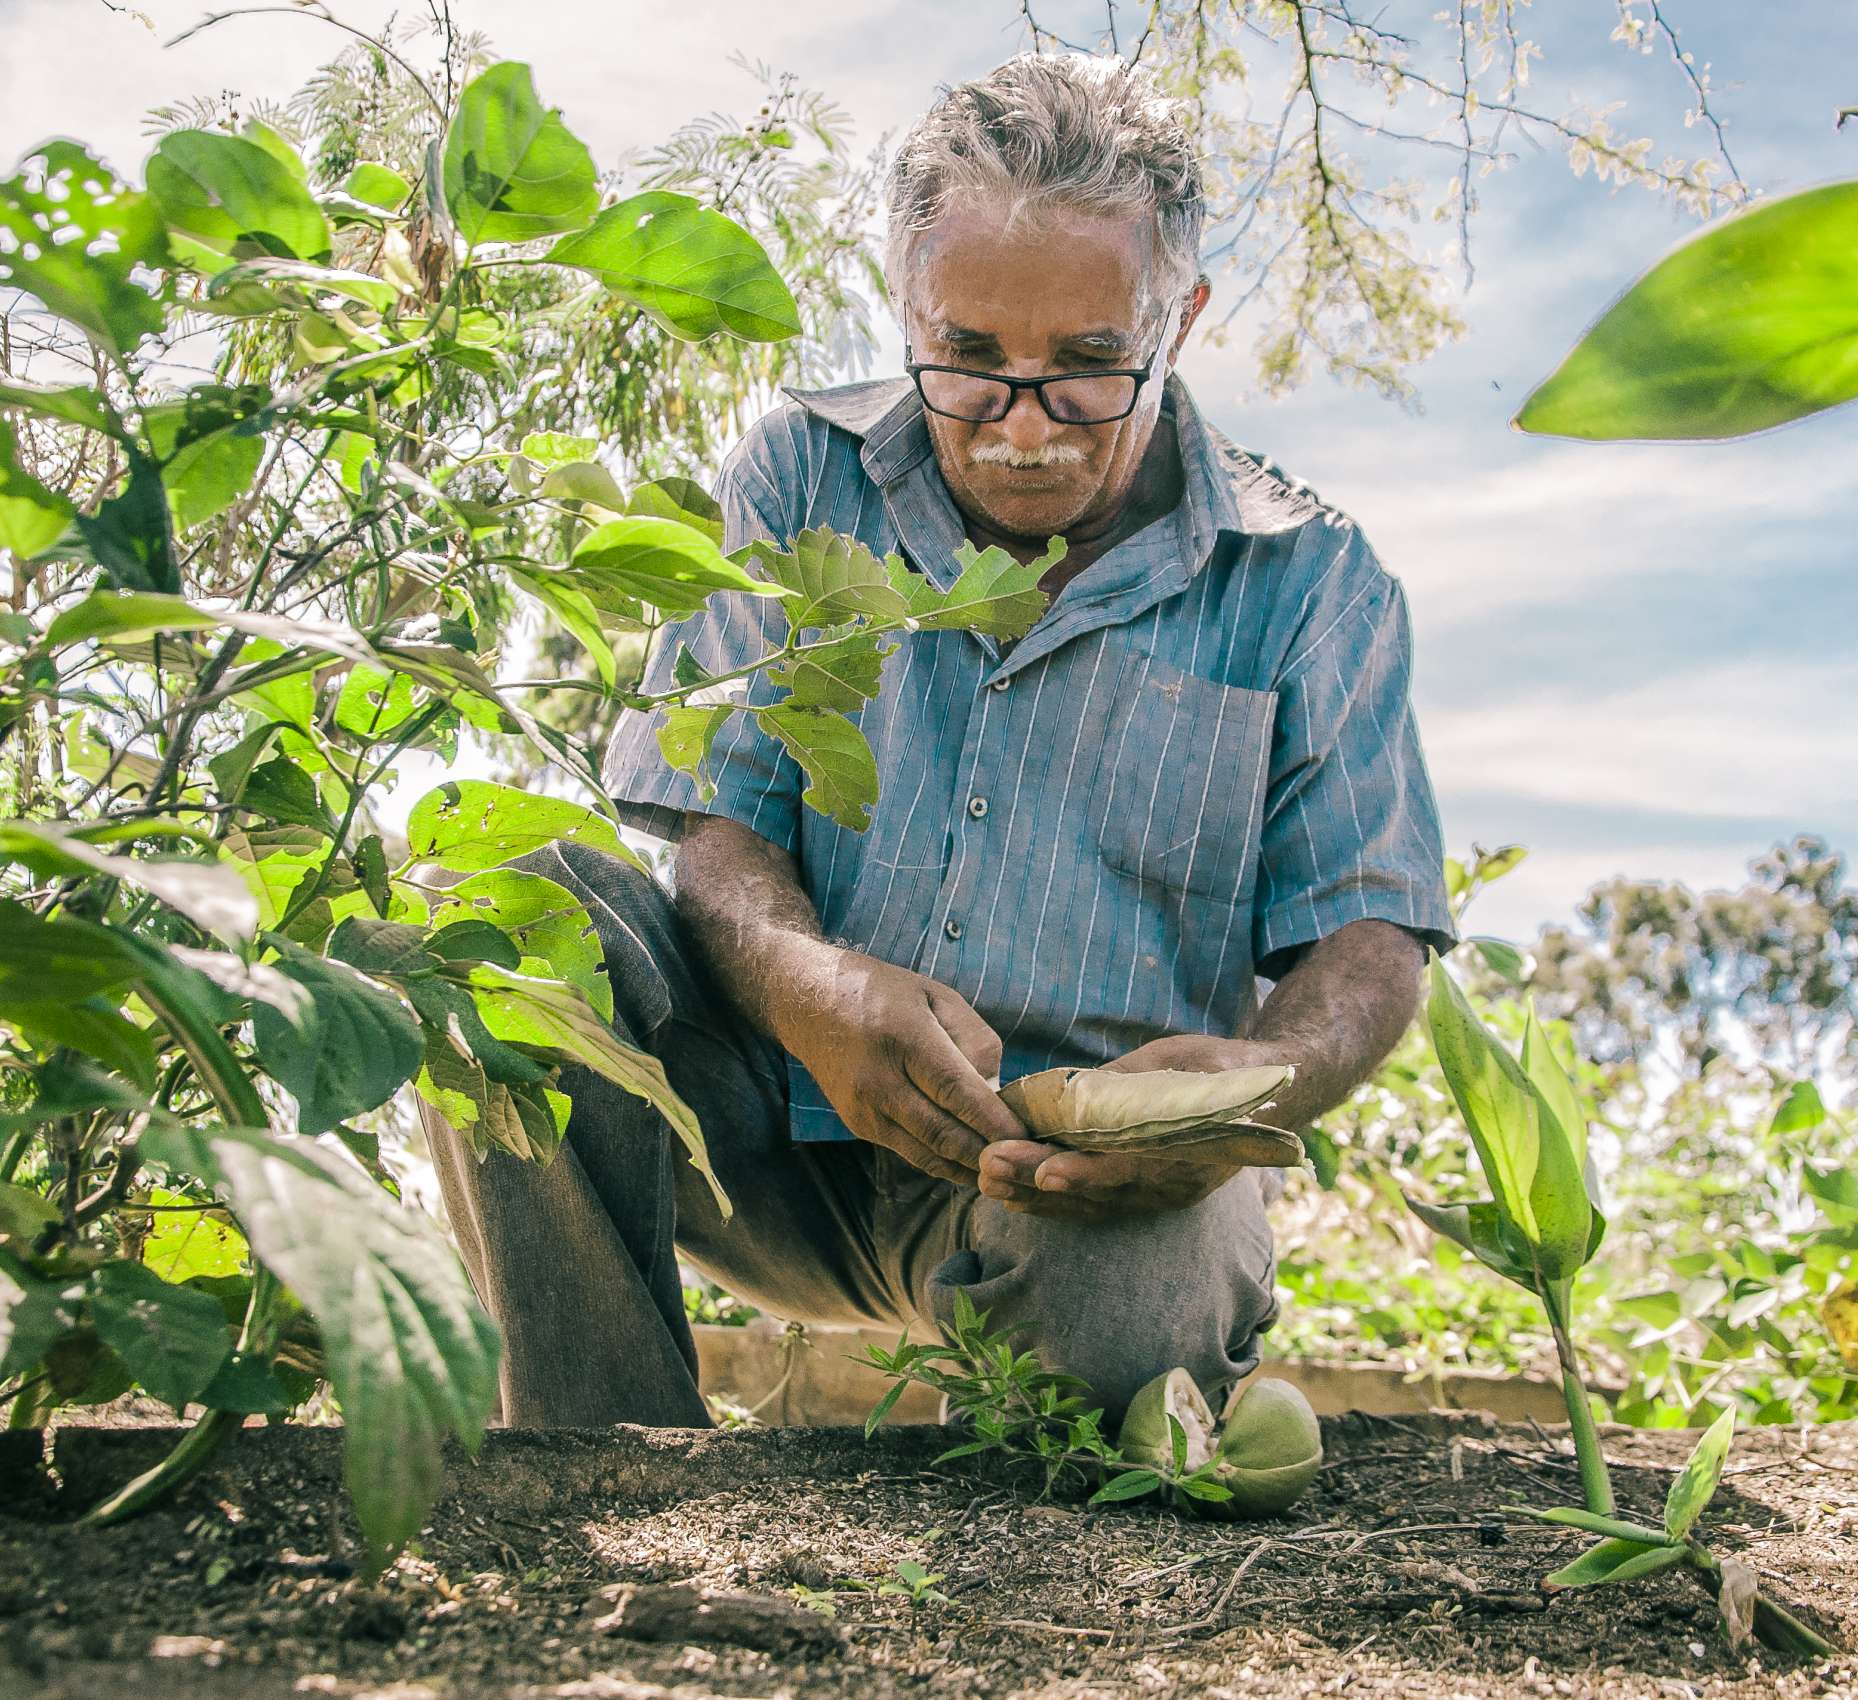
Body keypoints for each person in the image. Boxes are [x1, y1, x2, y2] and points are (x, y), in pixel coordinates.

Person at [425, 50, 1455, 1431]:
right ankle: (602, 1453)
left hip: (1072, 1189)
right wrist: (813, 991)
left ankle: (1070, 1375)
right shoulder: (800, 474)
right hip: (747, 1118)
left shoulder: (1311, 583)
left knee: (1138, 1334)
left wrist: (1261, 1085)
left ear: (1182, 317)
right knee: (491, 912)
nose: (1023, 430)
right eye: (970, 361)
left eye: (1090, 368)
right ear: (906, 303)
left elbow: (1373, 938)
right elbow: (719, 831)